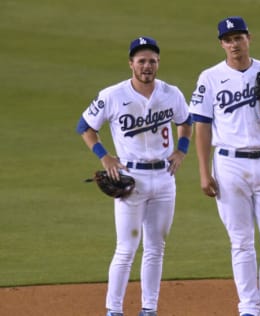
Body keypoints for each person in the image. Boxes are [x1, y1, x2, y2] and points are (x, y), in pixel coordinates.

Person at [76, 36, 192, 316]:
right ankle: (114, 310)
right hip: (132, 181)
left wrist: (181, 151)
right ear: (131, 64)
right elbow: (85, 126)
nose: (147, 66)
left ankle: (149, 309)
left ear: (158, 63)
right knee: (126, 248)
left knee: (156, 248)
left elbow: (186, 121)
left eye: (152, 60)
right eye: (141, 61)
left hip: (164, 178)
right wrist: (105, 156)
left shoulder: (171, 93)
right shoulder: (113, 95)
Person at [189, 16, 260, 316]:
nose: (234, 44)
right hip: (228, 165)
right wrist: (203, 171)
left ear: (249, 38)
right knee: (242, 241)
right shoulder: (209, 77)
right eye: (228, 39)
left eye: (239, 37)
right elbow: (202, 126)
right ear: (221, 43)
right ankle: (249, 307)